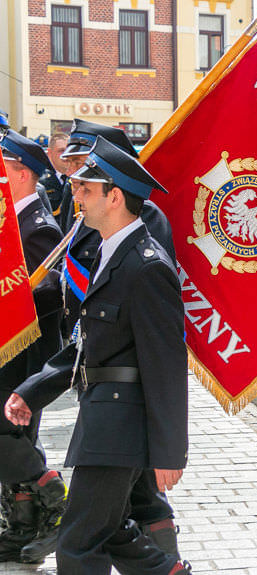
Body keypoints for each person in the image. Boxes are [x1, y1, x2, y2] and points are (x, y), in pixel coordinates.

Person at [4, 136, 190, 574]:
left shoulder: (147, 266)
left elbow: (166, 367)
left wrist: (169, 451)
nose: (76, 195)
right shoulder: (112, 253)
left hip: (121, 425)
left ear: (115, 196)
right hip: (103, 418)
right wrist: (33, 390)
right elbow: (87, 342)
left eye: (86, 189)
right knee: (110, 532)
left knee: (78, 543)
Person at [0, 130, 66, 564]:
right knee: (10, 433)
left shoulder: (38, 226)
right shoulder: (12, 217)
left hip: (24, 355)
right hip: (8, 348)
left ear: (21, 174)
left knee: (11, 433)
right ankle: (22, 528)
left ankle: (50, 490)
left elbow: (44, 293)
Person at [39, 133, 69, 217]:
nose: (66, 155)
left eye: (69, 150)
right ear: (49, 153)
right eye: (61, 151)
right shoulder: (40, 180)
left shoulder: (76, 178)